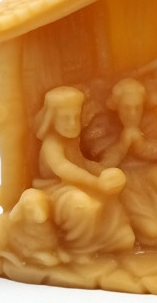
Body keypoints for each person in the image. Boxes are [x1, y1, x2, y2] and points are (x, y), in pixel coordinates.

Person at [29, 86, 134, 255]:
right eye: (65, 119)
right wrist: (94, 182)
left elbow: (80, 162)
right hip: (55, 188)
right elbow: (64, 169)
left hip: (75, 183)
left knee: (109, 197)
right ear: (52, 119)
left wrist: (99, 170)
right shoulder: (52, 144)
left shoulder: (71, 140)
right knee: (81, 204)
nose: (72, 124)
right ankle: (79, 247)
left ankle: (115, 237)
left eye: (75, 117)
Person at [101, 78, 157, 247]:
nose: (132, 114)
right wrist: (123, 144)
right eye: (126, 108)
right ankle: (144, 234)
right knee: (153, 230)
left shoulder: (148, 123)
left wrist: (141, 146)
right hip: (122, 180)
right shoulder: (103, 126)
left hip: (146, 171)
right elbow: (103, 166)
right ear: (116, 106)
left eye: (137, 108)